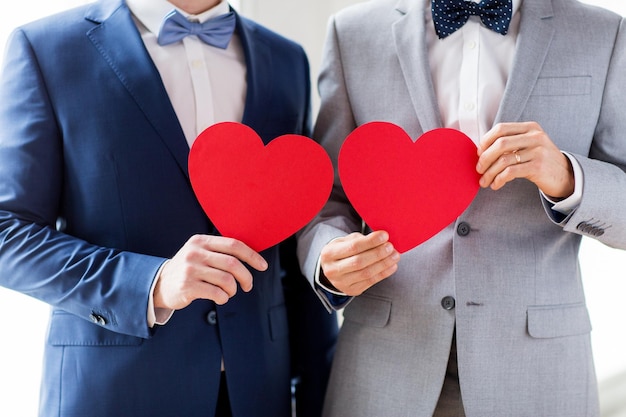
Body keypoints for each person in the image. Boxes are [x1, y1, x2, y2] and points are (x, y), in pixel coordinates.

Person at [0, 0, 337, 416]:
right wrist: (151, 283)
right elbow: (7, 231)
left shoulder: (287, 60)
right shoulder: (46, 48)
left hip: (259, 393)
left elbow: (293, 243)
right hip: (115, 392)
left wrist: (320, 397)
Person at [296, 0, 626, 416]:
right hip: (387, 367)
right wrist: (329, 259)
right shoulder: (353, 32)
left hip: (538, 373)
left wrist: (567, 177)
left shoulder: (603, 33)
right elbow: (328, 198)